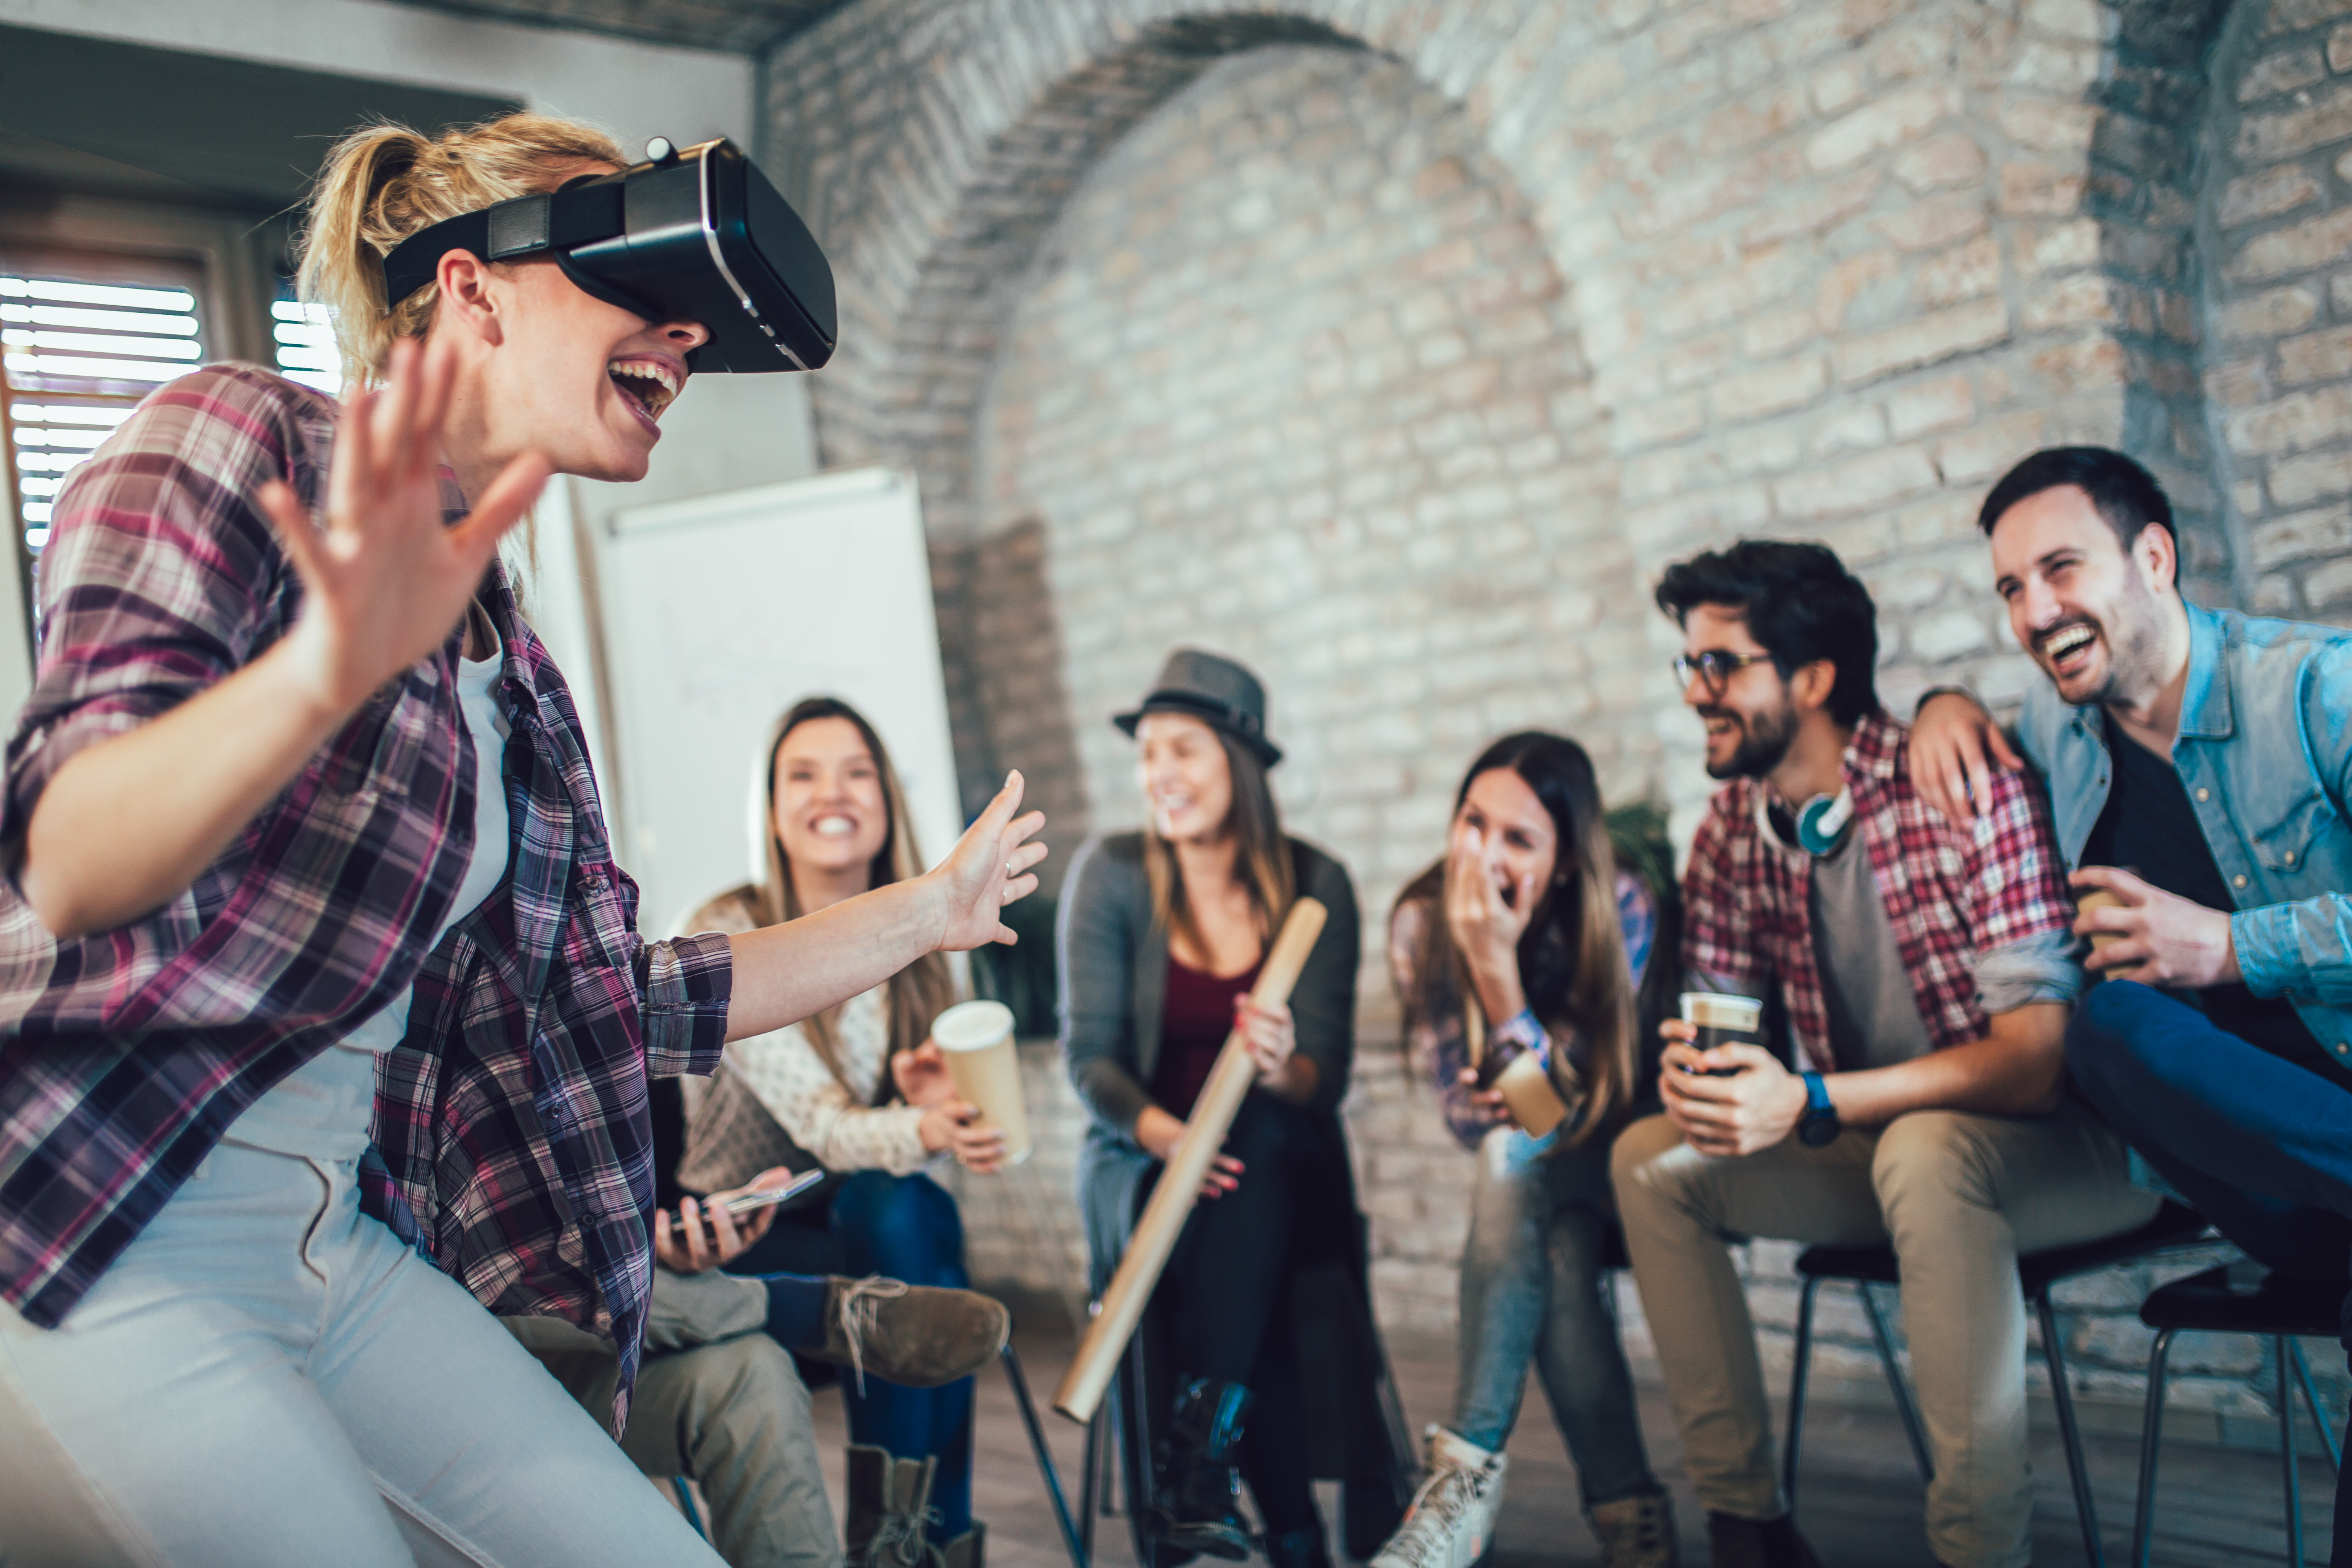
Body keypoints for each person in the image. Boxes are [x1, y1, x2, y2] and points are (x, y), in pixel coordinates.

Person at [0, 113, 1045, 1568]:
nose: (682, 332)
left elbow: (618, 996)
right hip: (98, 1217)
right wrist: (322, 674)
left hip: (336, 1249)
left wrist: (929, 910)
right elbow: (67, 849)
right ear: (472, 291)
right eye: (634, 280)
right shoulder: (234, 434)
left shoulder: (516, 672)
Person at [1611, 540, 2157, 1568]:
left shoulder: (1954, 782)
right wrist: (1707, 1082)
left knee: (1926, 1151)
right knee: (1652, 1162)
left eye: (1720, 665)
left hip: (2075, 1149)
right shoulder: (1731, 829)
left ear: (1812, 680)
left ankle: (1977, 1553)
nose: (1696, 693)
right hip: (1890, 1153)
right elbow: (1723, 1027)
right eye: (1688, 666)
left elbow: (2037, 1063)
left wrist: (1808, 1092)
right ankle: (1749, 1529)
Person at [1907, 445, 2352, 1568]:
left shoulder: (2314, 691)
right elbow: (1979, 735)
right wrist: (1939, 703)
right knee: (2105, 1025)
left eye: (2060, 567)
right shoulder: (2056, 732)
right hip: (2263, 1178)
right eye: (2011, 588)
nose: (2034, 609)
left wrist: (2229, 947)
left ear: (2152, 557)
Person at [675, 696, 1007, 1568]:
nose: (836, 792)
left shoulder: (928, 939)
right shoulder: (732, 932)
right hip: (741, 1241)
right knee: (909, 1234)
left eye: (858, 771)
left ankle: (904, 1539)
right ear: (774, 810)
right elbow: (824, 1129)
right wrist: (919, 1127)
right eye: (805, 773)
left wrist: (944, 1112)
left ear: (887, 797)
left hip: (863, 1234)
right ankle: (923, 1542)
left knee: (907, 1217)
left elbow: (913, 1155)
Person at [1059, 649, 1367, 1568]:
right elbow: (1093, 1063)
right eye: (1148, 753)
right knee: (1227, 1230)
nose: (1160, 775)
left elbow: (1325, 1079)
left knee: (1259, 1148)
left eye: (1183, 750)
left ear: (1240, 760)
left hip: (1279, 1152)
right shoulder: (1111, 875)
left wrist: (1276, 1068)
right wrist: (1175, 1140)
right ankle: (1282, 1525)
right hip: (1149, 1151)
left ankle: (1191, 1489)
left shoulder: (1319, 887)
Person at [1370, 733, 1678, 1568]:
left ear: (1568, 860)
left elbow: (1568, 1111)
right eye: (1472, 822)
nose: (1483, 853)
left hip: (1625, 1155)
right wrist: (1504, 1094)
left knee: (1519, 1156)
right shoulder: (1420, 920)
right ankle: (1634, 1524)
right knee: (1552, 1243)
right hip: (1531, 1187)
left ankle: (1457, 1495)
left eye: (1518, 839)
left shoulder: (1620, 904)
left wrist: (1495, 968)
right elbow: (1476, 1122)